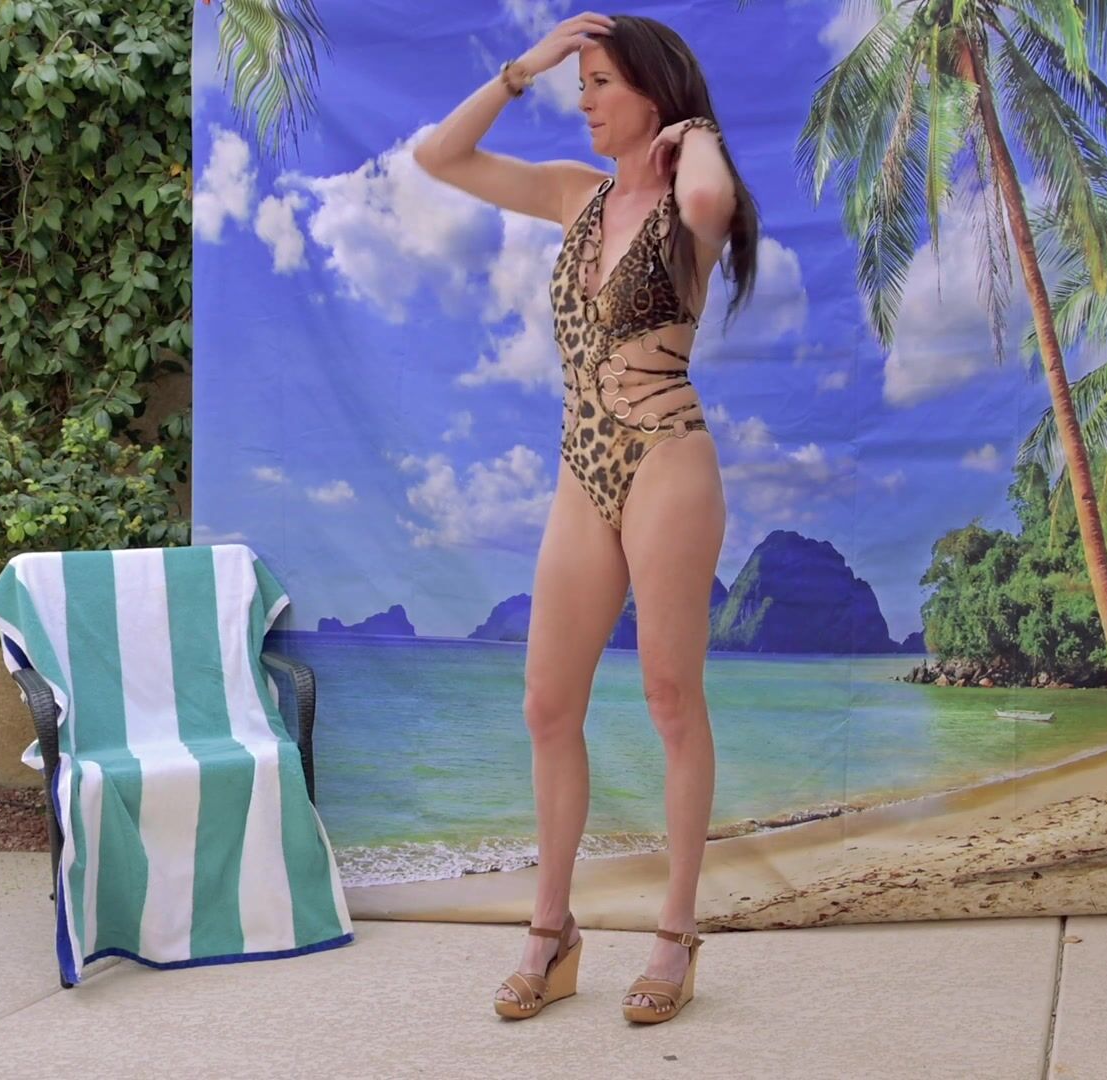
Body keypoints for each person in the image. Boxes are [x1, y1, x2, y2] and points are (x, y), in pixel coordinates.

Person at [410, 10, 760, 1024]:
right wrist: (528, 65)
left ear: (653, 92)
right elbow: (440, 157)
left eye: (602, 82)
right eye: (583, 84)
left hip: (667, 457)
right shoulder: (574, 194)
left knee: (670, 699)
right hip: (582, 465)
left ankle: (674, 936)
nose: (586, 101)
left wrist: (695, 131)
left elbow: (708, 197)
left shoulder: (692, 201)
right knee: (547, 706)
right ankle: (551, 932)